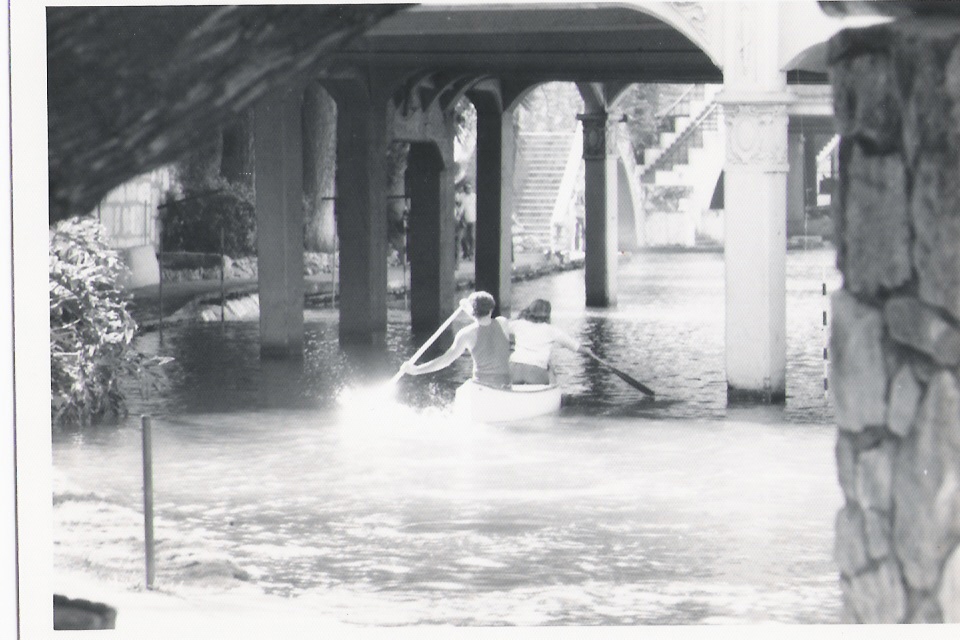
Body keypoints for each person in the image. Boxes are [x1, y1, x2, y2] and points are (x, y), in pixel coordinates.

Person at [400, 291, 512, 388]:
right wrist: (468, 308)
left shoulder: (466, 334)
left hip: (481, 386)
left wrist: (416, 370)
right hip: (504, 386)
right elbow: (484, 320)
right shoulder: (503, 323)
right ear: (491, 308)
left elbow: (446, 360)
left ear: (473, 312)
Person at [507, 299, 594, 385]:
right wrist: (587, 350)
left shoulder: (518, 324)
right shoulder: (552, 330)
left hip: (514, 368)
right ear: (548, 314)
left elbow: (499, 327)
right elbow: (574, 346)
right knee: (549, 370)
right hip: (536, 370)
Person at [459, 181, 476, 260]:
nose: (468, 190)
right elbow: (460, 207)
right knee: (463, 237)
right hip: (464, 219)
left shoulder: (474, 196)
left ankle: (471, 253)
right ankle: (466, 252)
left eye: (469, 188)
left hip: (473, 219)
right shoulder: (462, 196)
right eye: (467, 188)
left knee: (472, 237)